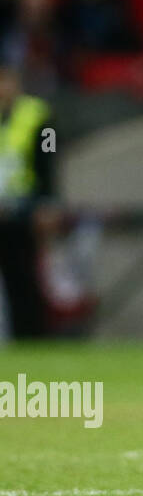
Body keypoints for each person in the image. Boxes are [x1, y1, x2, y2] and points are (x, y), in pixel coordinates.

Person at [0, 62, 58, 340]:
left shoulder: (34, 115)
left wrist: (47, 202)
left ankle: (32, 338)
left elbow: (47, 161)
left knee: (24, 279)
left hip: (22, 211)